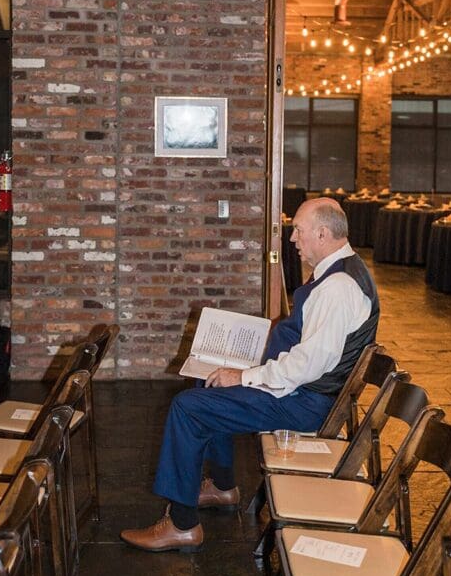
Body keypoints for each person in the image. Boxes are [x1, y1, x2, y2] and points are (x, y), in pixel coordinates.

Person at [120, 197, 380, 552]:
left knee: (188, 407)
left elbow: (308, 366)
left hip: (306, 403)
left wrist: (244, 376)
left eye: (298, 231)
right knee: (207, 378)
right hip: (302, 391)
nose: (292, 239)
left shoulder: (338, 287)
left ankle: (182, 524)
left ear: (323, 233)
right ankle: (224, 487)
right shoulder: (342, 271)